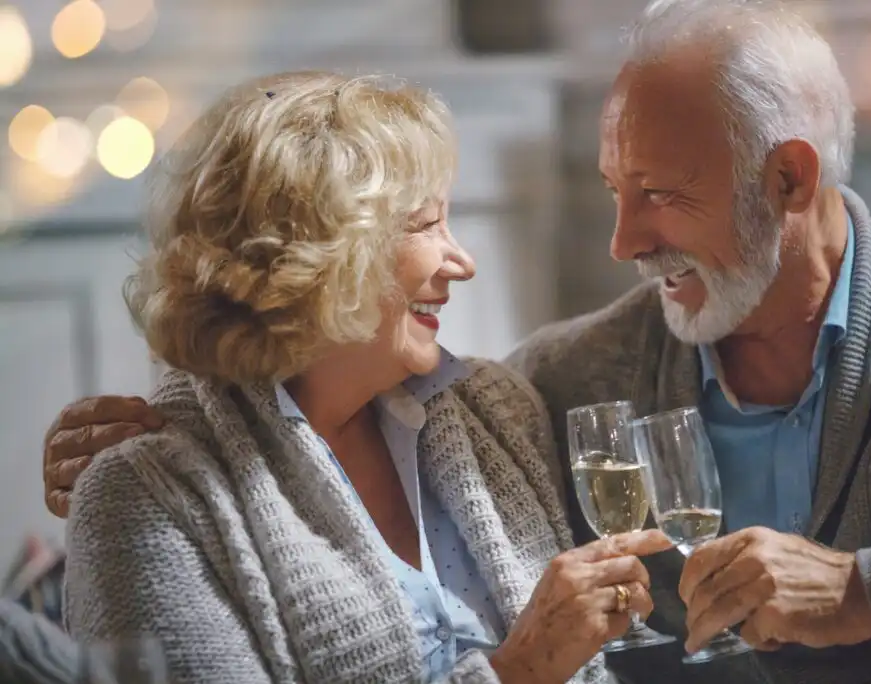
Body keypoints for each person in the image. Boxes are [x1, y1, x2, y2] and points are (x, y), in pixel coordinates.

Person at [40, 2, 871, 683]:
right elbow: (279, 407)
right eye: (614, 192)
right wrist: (149, 440)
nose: (622, 243)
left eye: (659, 194)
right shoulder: (560, 383)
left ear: (788, 181)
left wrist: (864, 587)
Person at [46, 70, 675, 684]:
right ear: (312, 256)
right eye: (425, 225)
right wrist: (517, 672)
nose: (462, 261)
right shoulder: (150, 496)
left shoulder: (499, 409)